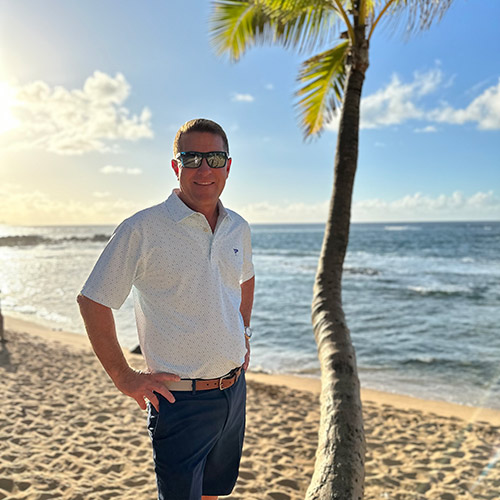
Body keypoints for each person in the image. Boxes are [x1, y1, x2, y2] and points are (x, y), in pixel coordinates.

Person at [77, 118, 255, 500]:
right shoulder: (142, 229)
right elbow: (92, 301)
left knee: (214, 492)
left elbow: (245, 279)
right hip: (179, 401)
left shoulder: (237, 227)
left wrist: (244, 334)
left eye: (214, 157)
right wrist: (124, 377)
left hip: (234, 390)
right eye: (191, 158)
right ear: (176, 167)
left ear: (228, 165)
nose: (204, 169)